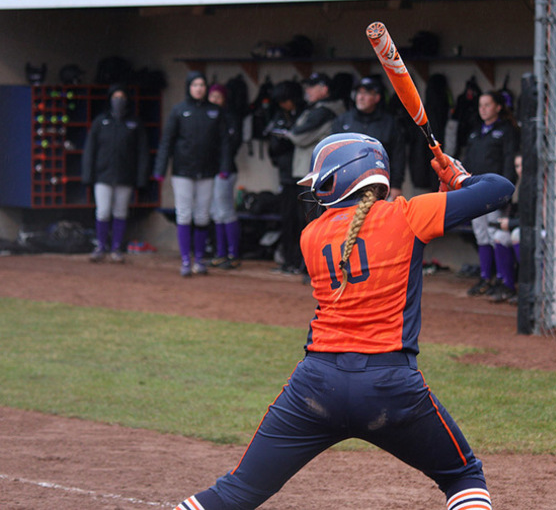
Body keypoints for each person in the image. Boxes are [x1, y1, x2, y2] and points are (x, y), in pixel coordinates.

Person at [173, 133, 513, 510]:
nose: (317, 191)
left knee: (236, 492)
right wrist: (459, 179)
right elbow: (499, 188)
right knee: (462, 476)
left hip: (316, 385)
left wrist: (443, 195)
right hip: (390, 386)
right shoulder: (406, 213)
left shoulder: (310, 235)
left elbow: (374, 236)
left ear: (342, 179)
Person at [154, 71, 232, 277]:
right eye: (195, 85)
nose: (199, 88)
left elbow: (224, 142)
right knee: (184, 213)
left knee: (202, 215)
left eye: (202, 85)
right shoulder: (179, 110)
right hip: (182, 171)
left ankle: (199, 259)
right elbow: (167, 141)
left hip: (207, 171)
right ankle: (185, 260)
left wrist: (225, 166)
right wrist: (160, 169)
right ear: (188, 87)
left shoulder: (215, 111)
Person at [277, 72, 345, 275]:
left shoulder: (325, 110)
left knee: (317, 221)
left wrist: (286, 133)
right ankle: (311, 265)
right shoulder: (317, 109)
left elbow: (298, 136)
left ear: (324, 89)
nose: (307, 91)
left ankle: (316, 267)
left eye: (312, 86)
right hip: (314, 174)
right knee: (310, 220)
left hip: (319, 175)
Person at [81, 83, 150, 263]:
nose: (118, 101)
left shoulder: (134, 123)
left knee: (120, 212)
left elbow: (142, 152)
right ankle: (100, 246)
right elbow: (90, 150)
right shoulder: (100, 121)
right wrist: (88, 175)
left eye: (122, 98)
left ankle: (116, 248)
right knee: (103, 211)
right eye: (115, 97)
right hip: (103, 175)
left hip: (125, 175)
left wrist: (141, 178)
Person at [461, 90, 519, 297]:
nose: (483, 109)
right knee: (481, 234)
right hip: (476, 192)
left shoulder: (506, 131)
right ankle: (486, 277)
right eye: (480, 105)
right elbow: (467, 163)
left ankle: (504, 280)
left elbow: (509, 163)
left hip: (495, 192)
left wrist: (506, 191)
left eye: (487, 105)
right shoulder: (476, 132)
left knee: (497, 234)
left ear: (498, 107)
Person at [331, 75, 405, 200]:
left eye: (367, 93)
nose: (361, 97)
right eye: (359, 92)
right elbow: (333, 155)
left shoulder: (389, 123)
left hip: (379, 186)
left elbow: (398, 156)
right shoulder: (342, 120)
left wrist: (396, 185)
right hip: (347, 185)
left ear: (377, 98)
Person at [265, 80, 306, 275]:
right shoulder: (279, 116)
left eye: (286, 100)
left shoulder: (305, 115)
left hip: (303, 176)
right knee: (287, 219)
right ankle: (288, 260)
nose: (283, 104)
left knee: (302, 220)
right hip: (285, 177)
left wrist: (289, 139)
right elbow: (273, 146)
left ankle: (302, 262)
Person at [207, 83, 243, 270]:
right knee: (215, 212)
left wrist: (224, 166)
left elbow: (232, 145)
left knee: (226, 210)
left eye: (218, 97)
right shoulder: (207, 117)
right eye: (211, 96)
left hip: (226, 169)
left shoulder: (230, 118)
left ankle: (233, 254)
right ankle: (220, 253)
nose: (214, 100)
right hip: (209, 170)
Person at [490, 153, 522, 303]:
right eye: (517, 166)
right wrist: (507, 221)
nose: (520, 170)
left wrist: (512, 224)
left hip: (534, 230)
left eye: (522, 165)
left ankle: (526, 287)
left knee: (517, 234)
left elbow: (536, 217)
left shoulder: (538, 183)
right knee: (500, 236)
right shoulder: (518, 184)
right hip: (520, 226)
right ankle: (508, 285)